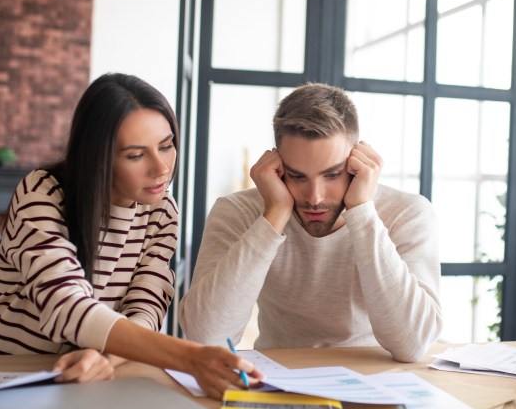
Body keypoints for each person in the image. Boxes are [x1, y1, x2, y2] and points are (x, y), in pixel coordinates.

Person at [0, 73, 262, 399]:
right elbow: (65, 305)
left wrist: (104, 356)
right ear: (98, 156)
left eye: (166, 145)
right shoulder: (43, 193)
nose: (161, 168)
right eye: (135, 155)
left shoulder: (161, 210)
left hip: (83, 383)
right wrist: (191, 357)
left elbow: (146, 308)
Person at [180, 83, 442, 362]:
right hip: (275, 376)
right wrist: (274, 214)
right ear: (277, 167)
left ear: (356, 163)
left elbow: (412, 344)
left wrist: (362, 212)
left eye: (332, 175)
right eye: (297, 176)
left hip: (376, 375)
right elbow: (206, 337)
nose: (315, 198)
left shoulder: (408, 213)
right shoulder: (237, 211)